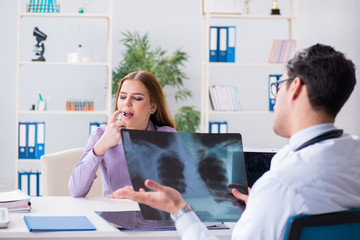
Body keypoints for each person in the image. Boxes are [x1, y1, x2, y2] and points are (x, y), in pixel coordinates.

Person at [115, 44, 360, 239]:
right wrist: (260, 204)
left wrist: (179, 209)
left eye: (278, 86)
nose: (275, 99)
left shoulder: (278, 186)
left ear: (294, 87)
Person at [68, 71, 176, 198]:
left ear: (152, 107)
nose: (127, 103)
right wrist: (102, 144)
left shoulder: (167, 136)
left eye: (137, 98)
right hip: (113, 214)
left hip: (153, 215)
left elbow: (186, 189)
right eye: (123, 97)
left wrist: (140, 194)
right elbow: (76, 191)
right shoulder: (101, 134)